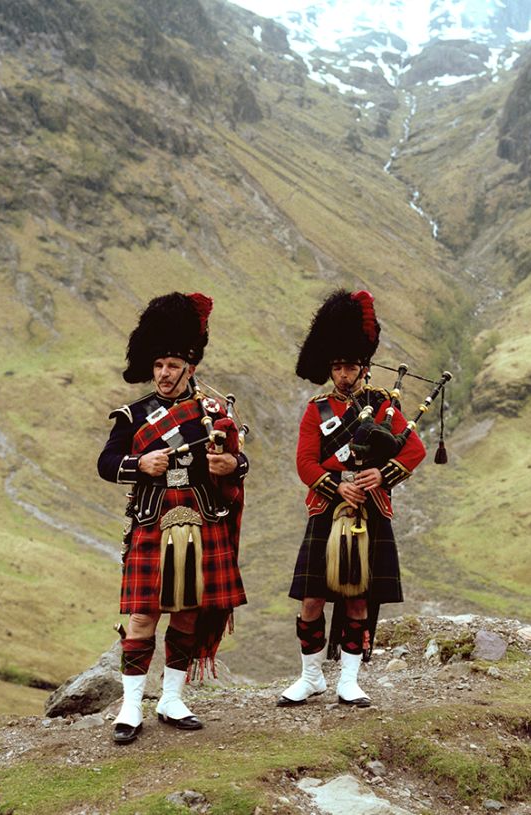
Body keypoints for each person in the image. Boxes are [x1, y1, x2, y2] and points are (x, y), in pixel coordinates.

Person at [98, 291, 248, 744]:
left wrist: (233, 466)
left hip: (201, 518)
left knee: (187, 614)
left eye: (172, 366)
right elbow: (106, 463)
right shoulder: (133, 416)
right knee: (143, 617)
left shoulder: (214, 413)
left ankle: (172, 699)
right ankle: (129, 707)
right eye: (158, 365)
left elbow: (238, 462)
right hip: (152, 519)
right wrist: (139, 465)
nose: (163, 374)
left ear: (191, 368)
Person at [278, 289, 426, 708]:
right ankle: (310, 678)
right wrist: (335, 484)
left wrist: (382, 474)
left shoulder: (384, 408)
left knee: (359, 598)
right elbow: (305, 462)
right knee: (311, 600)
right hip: (327, 509)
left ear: (364, 367)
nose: (344, 374)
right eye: (338, 367)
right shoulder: (317, 409)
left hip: (369, 510)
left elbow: (413, 449)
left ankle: (349, 680)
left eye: (351, 367)